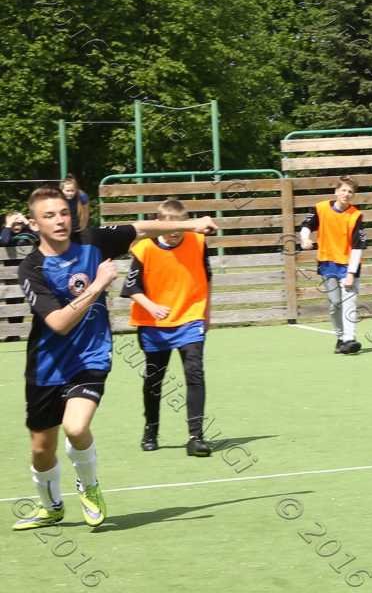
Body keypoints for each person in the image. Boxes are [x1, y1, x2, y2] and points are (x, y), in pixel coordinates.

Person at [12, 185, 219, 531]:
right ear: (35, 224)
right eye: (49, 216)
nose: (60, 220)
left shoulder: (93, 240)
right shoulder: (32, 268)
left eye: (63, 213)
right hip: (47, 365)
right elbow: (58, 323)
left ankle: (89, 486)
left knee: (76, 426)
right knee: (41, 449)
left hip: (91, 357)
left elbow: (141, 228)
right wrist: (98, 285)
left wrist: (192, 224)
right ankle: (51, 507)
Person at [121, 199, 214, 456]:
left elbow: (207, 278)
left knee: (195, 374)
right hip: (154, 324)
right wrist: (151, 307)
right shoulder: (144, 248)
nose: (175, 232)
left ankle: (196, 437)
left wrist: (207, 313)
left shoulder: (198, 242)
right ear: (158, 224)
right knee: (154, 379)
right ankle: (151, 430)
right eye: (170, 227)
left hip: (190, 317)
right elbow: (131, 287)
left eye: (180, 227)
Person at [299, 176, 366, 354]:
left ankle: (350, 339)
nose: (346, 194)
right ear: (336, 192)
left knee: (349, 302)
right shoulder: (320, 208)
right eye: (343, 190)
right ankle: (340, 338)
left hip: (348, 265)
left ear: (353, 195)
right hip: (327, 263)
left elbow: (358, 247)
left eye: (350, 192)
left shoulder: (356, 216)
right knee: (335, 304)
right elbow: (306, 226)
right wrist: (305, 239)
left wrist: (351, 273)